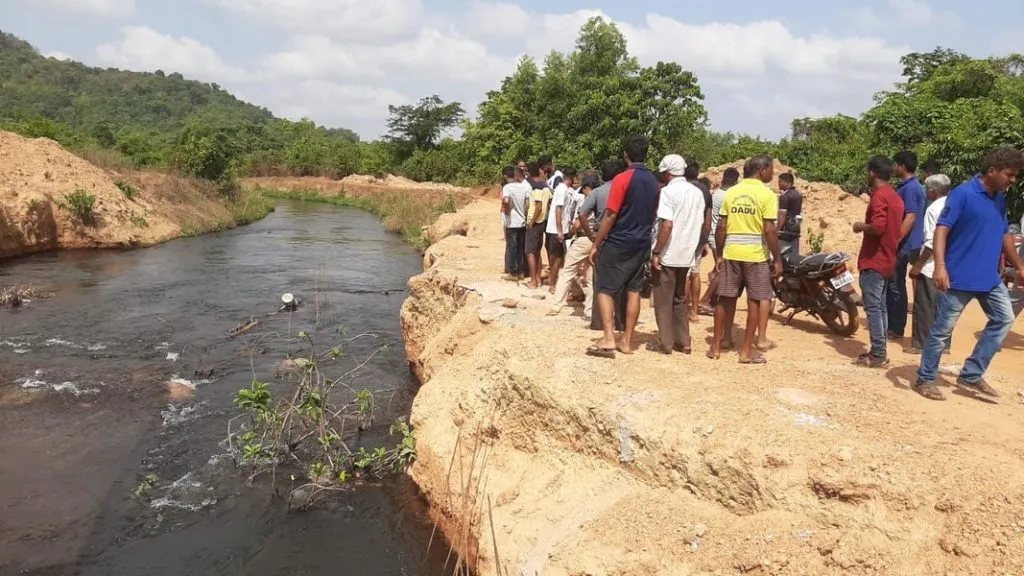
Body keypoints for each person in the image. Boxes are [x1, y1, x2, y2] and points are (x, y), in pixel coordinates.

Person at [915, 148, 1024, 401]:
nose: (1013, 180)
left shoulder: (999, 198)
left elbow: (1004, 234)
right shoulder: (964, 194)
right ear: (992, 171)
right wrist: (940, 267)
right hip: (959, 278)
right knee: (942, 330)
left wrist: (1018, 264)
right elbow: (942, 230)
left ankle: (972, 373)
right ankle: (926, 378)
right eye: (1010, 174)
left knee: (1004, 319)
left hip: (989, 278)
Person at [586, 136, 660, 358]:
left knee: (604, 288)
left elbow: (610, 214)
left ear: (625, 155)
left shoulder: (622, 179)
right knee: (634, 290)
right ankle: (627, 340)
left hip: (619, 241)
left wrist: (596, 243)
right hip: (642, 242)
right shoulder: (654, 183)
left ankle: (608, 337)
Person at [708, 155, 783, 364]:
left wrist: (720, 254)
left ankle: (716, 346)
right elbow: (769, 229)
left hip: (731, 252)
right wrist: (777, 259)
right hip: (755, 256)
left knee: (725, 299)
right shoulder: (767, 195)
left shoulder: (731, 193)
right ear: (762, 170)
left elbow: (721, 226)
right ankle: (746, 352)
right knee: (756, 301)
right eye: (771, 170)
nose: (772, 174)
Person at [649, 155, 708, 355]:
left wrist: (657, 251)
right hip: (687, 254)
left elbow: (667, 225)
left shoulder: (667, 192)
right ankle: (684, 341)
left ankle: (666, 342)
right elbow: (701, 223)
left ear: (666, 174)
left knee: (663, 300)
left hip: (669, 253)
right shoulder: (697, 193)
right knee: (680, 299)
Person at [853, 156, 905, 368]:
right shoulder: (895, 197)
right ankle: (880, 350)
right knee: (881, 307)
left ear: (872, 172)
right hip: (888, 257)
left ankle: (877, 353)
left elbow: (878, 227)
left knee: (873, 307)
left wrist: (860, 226)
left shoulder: (879, 197)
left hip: (874, 258)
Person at [579, 161, 627, 332]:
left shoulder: (598, 192)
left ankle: (599, 323)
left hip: (602, 239)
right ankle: (621, 322)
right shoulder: (626, 190)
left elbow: (582, 213)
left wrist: (591, 235)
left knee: (600, 282)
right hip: (622, 239)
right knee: (621, 282)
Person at [908, 174, 952, 353]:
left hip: (931, 266)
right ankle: (944, 345)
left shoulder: (933, 209)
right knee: (945, 308)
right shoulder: (953, 205)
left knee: (924, 305)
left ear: (933, 191)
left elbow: (932, 242)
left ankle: (921, 344)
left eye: (928, 190)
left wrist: (918, 265)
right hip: (949, 265)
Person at [887, 151, 926, 341]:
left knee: (896, 285)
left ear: (902, 166)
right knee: (897, 284)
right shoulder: (914, 187)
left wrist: (895, 240)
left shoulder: (910, 188)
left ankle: (896, 327)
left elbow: (910, 216)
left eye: (895, 165)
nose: (893, 168)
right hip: (911, 243)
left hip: (905, 244)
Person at [549, 173, 599, 318]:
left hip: (584, 238)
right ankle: (589, 310)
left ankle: (556, 305)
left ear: (587, 188)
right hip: (597, 240)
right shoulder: (603, 198)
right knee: (590, 277)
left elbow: (578, 222)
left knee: (567, 271)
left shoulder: (589, 200)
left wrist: (570, 233)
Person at [698, 167, 739, 316]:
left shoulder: (716, 194)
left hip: (713, 235)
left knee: (719, 269)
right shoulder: (727, 197)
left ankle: (712, 300)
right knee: (722, 271)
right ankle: (705, 300)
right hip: (719, 237)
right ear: (735, 181)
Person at [683, 160, 713, 322]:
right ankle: (694, 310)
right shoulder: (705, 191)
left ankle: (682, 310)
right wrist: (704, 241)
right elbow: (707, 221)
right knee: (695, 274)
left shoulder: (683, 189)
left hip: (685, 238)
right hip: (699, 237)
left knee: (684, 276)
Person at [546, 167, 578, 294]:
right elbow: (558, 210)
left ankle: (554, 280)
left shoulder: (566, 190)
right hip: (556, 229)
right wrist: (559, 230)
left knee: (560, 257)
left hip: (562, 227)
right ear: (571, 178)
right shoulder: (561, 190)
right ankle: (553, 283)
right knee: (558, 257)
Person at [524, 162, 552, 290]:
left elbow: (539, 206)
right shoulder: (546, 186)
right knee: (537, 251)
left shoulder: (536, 187)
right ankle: (538, 279)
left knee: (530, 251)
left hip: (535, 223)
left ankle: (533, 281)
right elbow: (549, 202)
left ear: (528, 173)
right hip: (543, 222)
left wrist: (531, 221)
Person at [500, 166, 530, 281]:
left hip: (512, 222)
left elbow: (506, 200)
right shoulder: (523, 187)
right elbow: (527, 203)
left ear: (505, 176)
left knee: (512, 247)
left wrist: (506, 210)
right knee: (521, 248)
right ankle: (521, 271)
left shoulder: (507, 188)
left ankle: (513, 273)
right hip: (522, 221)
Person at [777, 172, 803, 258]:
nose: (778, 184)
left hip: (785, 230)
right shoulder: (798, 195)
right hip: (795, 228)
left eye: (780, 182)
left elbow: (782, 215)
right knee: (794, 255)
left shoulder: (784, 196)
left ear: (787, 183)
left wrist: (777, 230)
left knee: (783, 256)